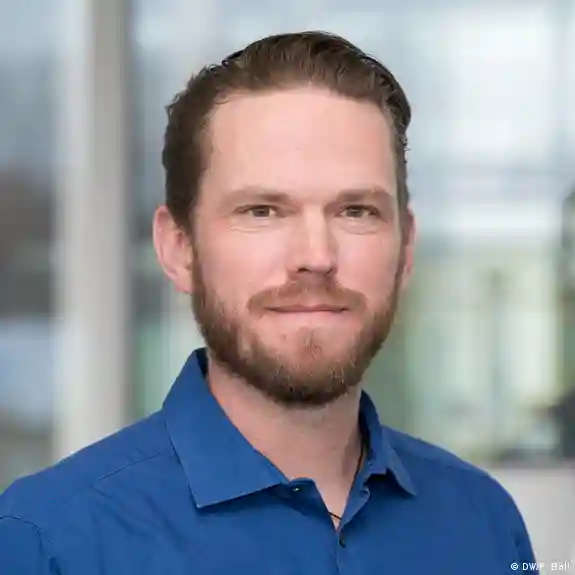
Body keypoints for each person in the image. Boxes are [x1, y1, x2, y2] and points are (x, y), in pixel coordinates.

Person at [0, 31, 538, 574]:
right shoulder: (46, 543)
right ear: (178, 248)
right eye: (262, 211)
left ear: (406, 248)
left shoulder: (485, 524)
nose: (316, 256)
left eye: (356, 211)